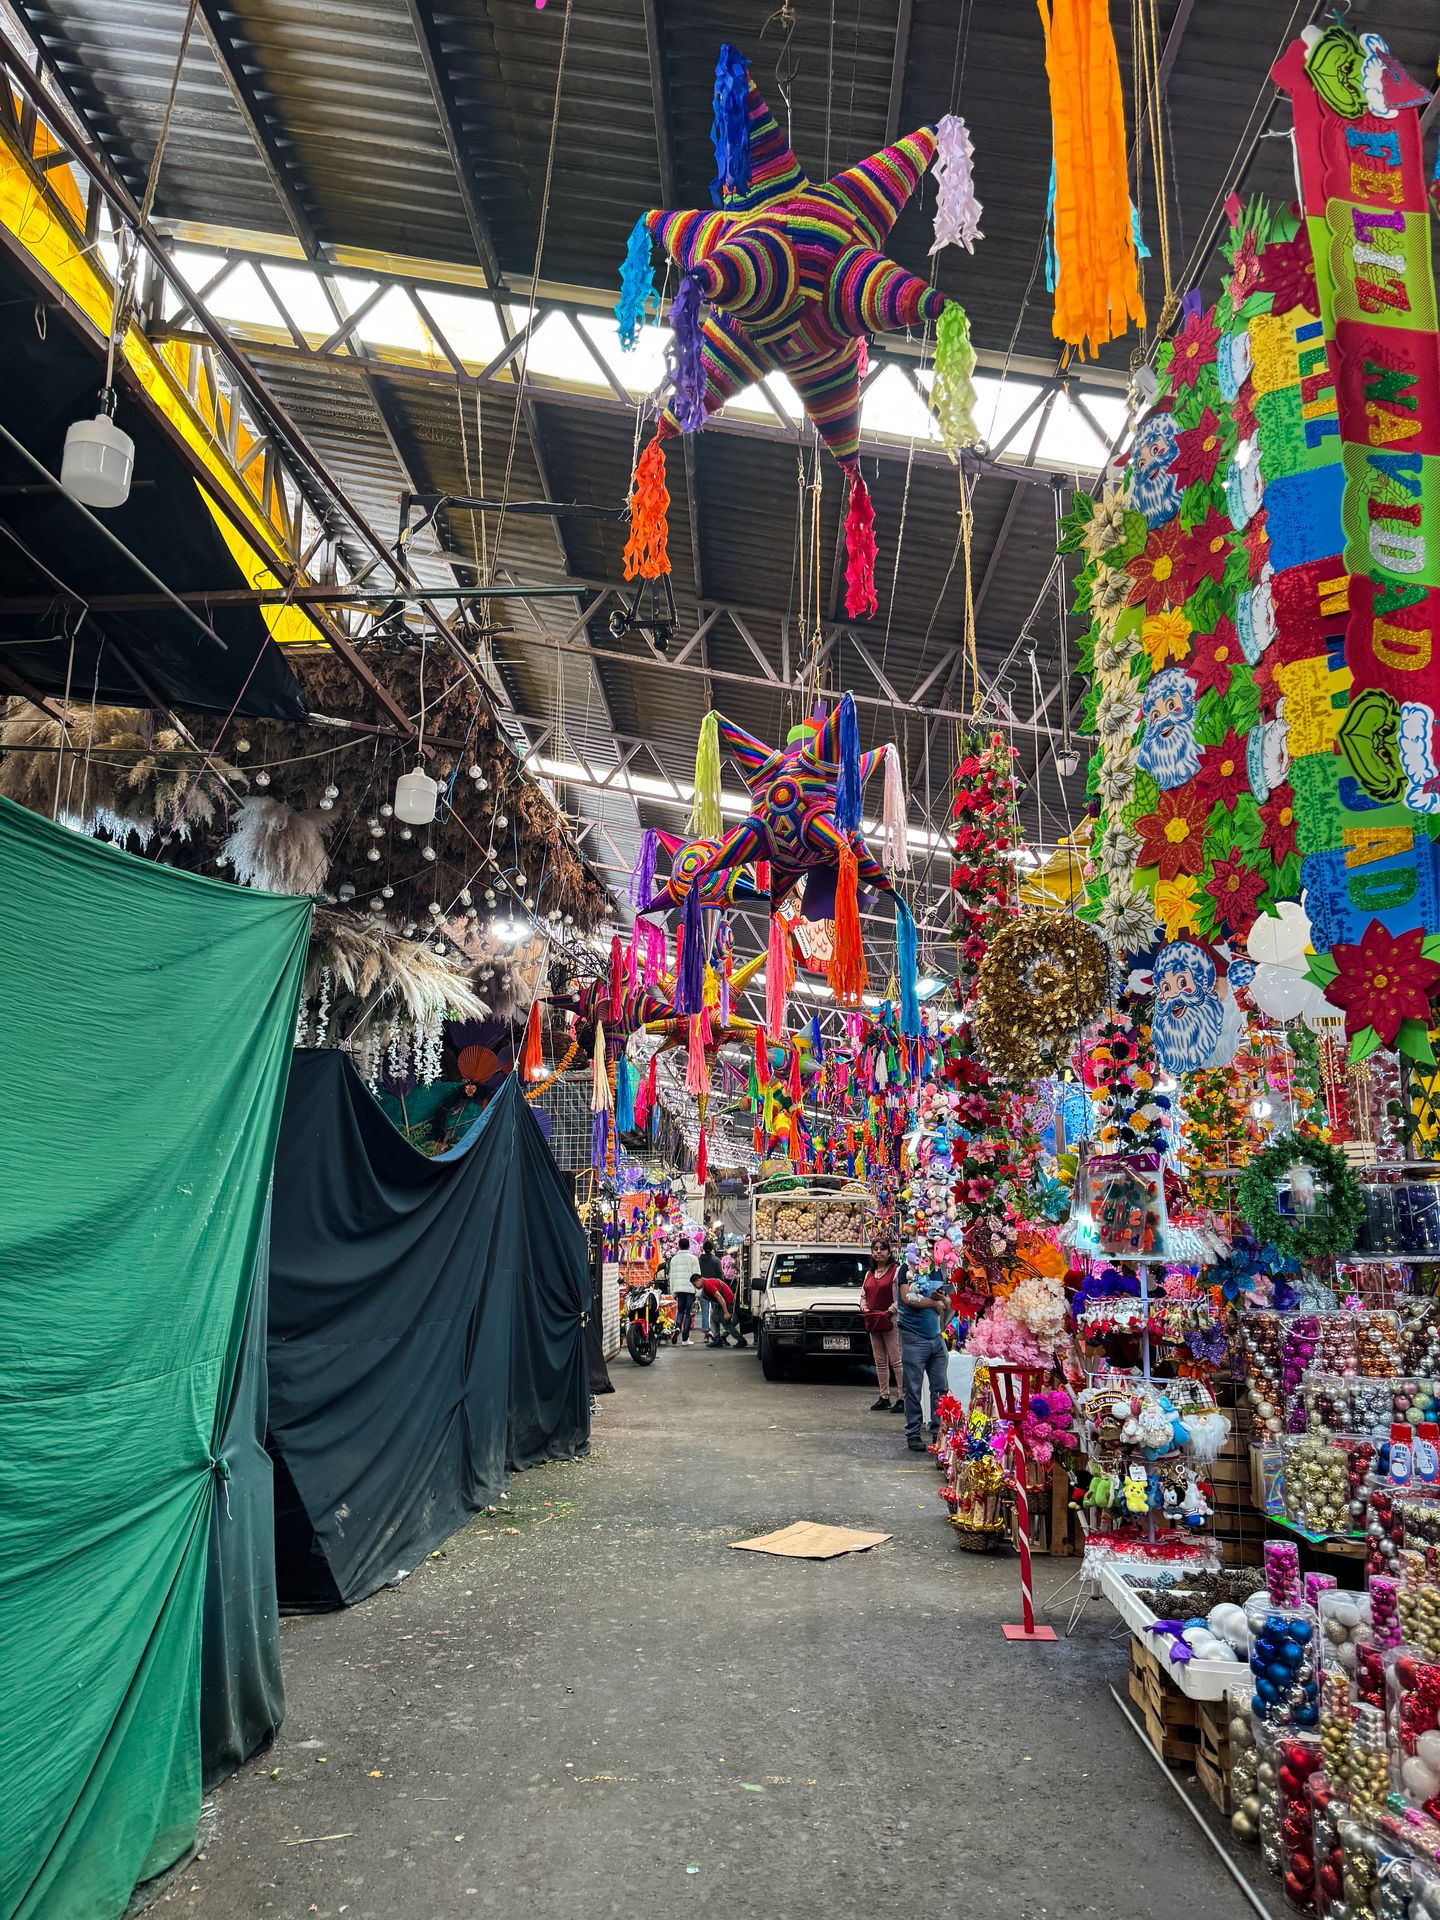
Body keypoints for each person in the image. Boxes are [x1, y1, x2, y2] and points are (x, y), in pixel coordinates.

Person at [897, 1253, 950, 1453]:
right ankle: (913, 1433)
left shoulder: (937, 1270)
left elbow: (946, 1302)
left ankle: (938, 1433)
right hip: (913, 1337)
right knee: (913, 1389)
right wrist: (932, 1303)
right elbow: (906, 1298)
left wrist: (943, 1301)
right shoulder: (906, 1268)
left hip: (936, 1338)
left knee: (940, 1388)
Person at [860, 1232, 905, 1413]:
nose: (878, 1252)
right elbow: (863, 1295)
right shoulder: (869, 1274)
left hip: (890, 1321)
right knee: (879, 1361)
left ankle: (902, 1397)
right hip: (873, 1320)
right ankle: (884, 1396)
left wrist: (890, 1311)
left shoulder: (896, 1271)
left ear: (889, 1252)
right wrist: (864, 1308)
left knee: (896, 1360)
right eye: (875, 1249)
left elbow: (900, 1298)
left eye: (882, 1249)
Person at [667, 1236, 700, 1345]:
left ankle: (677, 1328)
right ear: (689, 1246)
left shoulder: (674, 1259)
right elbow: (697, 1276)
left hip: (679, 1289)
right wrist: (698, 1292)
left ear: (679, 1246)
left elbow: (671, 1276)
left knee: (680, 1311)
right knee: (689, 1313)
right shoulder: (693, 1259)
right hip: (690, 1289)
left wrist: (673, 1292)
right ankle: (685, 1339)